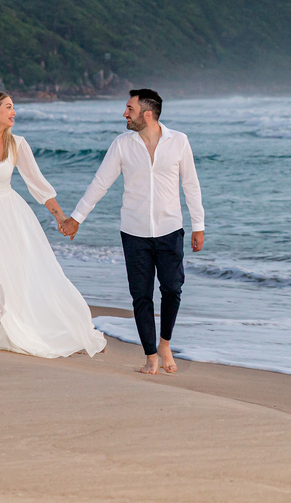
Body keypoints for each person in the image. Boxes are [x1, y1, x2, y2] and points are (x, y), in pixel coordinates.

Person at [0, 91, 106, 358]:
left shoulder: (17, 144)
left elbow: (38, 186)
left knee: (8, 274)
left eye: (13, 107)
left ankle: (12, 329)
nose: (14, 112)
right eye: (9, 107)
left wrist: (61, 217)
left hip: (9, 217)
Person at [59, 89, 204, 375]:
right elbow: (100, 183)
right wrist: (77, 218)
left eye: (129, 108)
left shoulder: (179, 142)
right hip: (134, 231)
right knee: (141, 295)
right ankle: (150, 354)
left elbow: (191, 184)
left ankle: (165, 344)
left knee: (172, 289)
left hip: (170, 229)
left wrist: (198, 225)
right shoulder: (122, 145)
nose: (125, 113)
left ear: (146, 113)